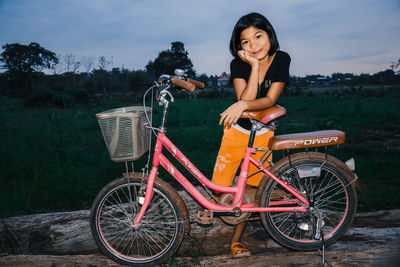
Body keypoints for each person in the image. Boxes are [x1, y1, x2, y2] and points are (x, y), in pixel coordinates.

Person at [211, 12, 290, 257]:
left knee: (252, 191)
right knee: (219, 189)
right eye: (245, 41)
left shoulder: (281, 59)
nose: (253, 45)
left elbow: (269, 100)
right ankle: (271, 197)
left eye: (258, 36)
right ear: (238, 46)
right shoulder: (238, 64)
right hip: (235, 133)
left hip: (263, 135)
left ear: (269, 35)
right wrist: (254, 66)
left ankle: (236, 242)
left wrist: (243, 106)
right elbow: (245, 99)